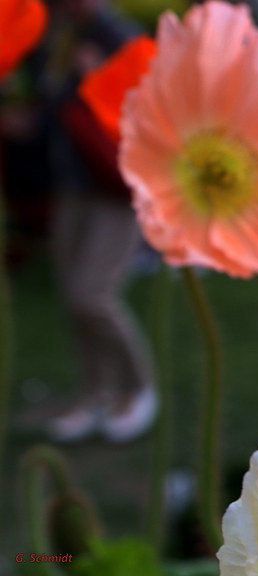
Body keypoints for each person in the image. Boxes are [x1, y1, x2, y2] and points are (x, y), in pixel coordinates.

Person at [41, 0, 156, 442]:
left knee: (93, 295)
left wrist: (95, 77)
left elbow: (143, 106)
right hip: (72, 183)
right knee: (73, 300)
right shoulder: (59, 34)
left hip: (114, 187)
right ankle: (95, 395)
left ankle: (140, 388)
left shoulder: (119, 37)